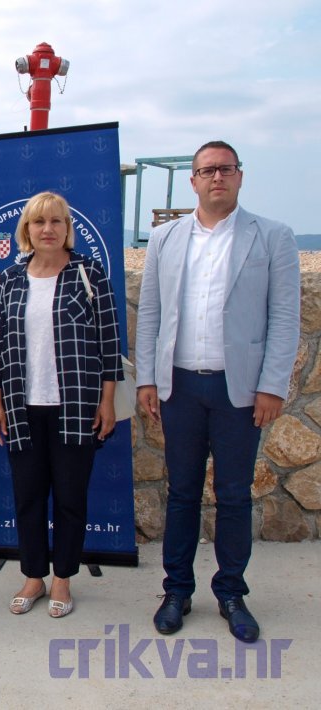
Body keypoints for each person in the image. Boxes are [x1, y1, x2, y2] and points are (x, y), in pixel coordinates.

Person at [136, 141, 300, 642]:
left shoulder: (272, 237)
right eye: (207, 170)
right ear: (193, 181)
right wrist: (148, 378)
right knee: (182, 492)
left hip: (239, 390)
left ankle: (231, 592)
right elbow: (151, 312)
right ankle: (177, 591)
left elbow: (284, 318)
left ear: (239, 176)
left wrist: (271, 386)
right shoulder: (165, 238)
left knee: (233, 495)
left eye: (225, 169)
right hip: (180, 386)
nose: (216, 177)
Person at [0, 191, 122, 618]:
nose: (48, 229)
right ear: (26, 229)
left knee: (69, 498)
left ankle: (62, 579)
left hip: (76, 407)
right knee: (27, 497)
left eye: (56, 221)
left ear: (67, 228)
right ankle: (33, 577)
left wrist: (108, 401)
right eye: (39, 222)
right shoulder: (9, 279)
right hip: (22, 407)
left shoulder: (89, 274)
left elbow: (110, 342)